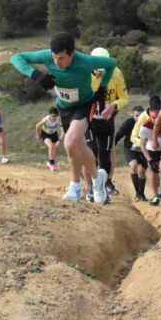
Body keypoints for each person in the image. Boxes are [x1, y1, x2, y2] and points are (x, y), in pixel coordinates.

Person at [11, 31, 116, 204]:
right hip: (64, 107)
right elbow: (16, 58)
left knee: (69, 142)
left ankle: (75, 187)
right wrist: (35, 74)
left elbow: (111, 63)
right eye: (54, 57)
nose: (56, 62)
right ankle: (98, 180)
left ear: (72, 53)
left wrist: (102, 88)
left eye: (61, 58)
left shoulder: (85, 61)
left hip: (84, 105)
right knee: (80, 146)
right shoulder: (47, 56)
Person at [85, 47, 128, 198]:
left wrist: (114, 106)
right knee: (90, 151)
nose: (98, 73)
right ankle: (90, 187)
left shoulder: (116, 74)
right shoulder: (84, 74)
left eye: (103, 70)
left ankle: (105, 184)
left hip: (107, 119)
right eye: (96, 69)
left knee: (106, 153)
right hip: (88, 119)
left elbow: (124, 98)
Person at [114, 106, 146, 201]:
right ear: (133, 115)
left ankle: (142, 194)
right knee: (134, 166)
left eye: (140, 116)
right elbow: (119, 134)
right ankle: (137, 194)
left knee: (142, 171)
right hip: (130, 149)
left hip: (143, 150)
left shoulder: (147, 124)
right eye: (136, 116)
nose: (138, 118)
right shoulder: (129, 123)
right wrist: (112, 146)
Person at [136, 98, 161, 205]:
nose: (155, 121)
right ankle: (156, 195)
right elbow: (142, 145)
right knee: (153, 171)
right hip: (151, 150)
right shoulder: (145, 126)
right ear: (149, 116)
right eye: (153, 118)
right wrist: (150, 160)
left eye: (157, 118)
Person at [35, 107, 63, 171]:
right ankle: (52, 164)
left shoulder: (58, 119)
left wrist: (60, 140)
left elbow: (63, 130)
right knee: (51, 146)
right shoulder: (46, 119)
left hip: (54, 134)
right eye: (53, 116)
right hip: (45, 134)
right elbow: (37, 126)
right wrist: (37, 135)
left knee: (55, 151)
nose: (54, 117)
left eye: (56, 115)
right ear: (50, 115)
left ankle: (49, 161)